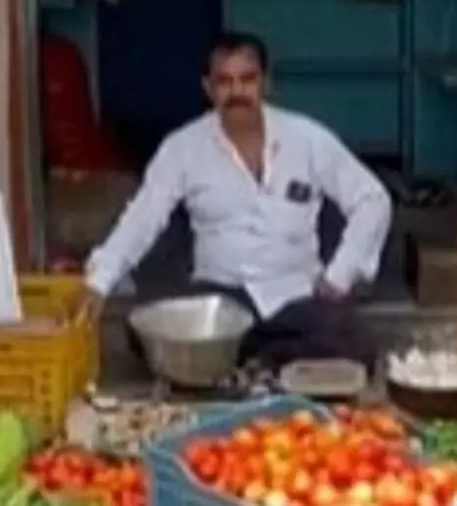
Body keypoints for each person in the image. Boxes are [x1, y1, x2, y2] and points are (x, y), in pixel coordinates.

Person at [84, 32, 392, 370]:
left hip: (297, 295)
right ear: (208, 88)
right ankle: (270, 362)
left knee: (355, 342)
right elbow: (143, 217)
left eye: (247, 80)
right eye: (224, 82)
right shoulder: (183, 148)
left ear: (266, 82)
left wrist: (340, 275)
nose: (237, 93)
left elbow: (372, 199)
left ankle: (251, 361)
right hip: (219, 302)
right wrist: (100, 282)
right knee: (142, 331)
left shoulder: (307, 139)